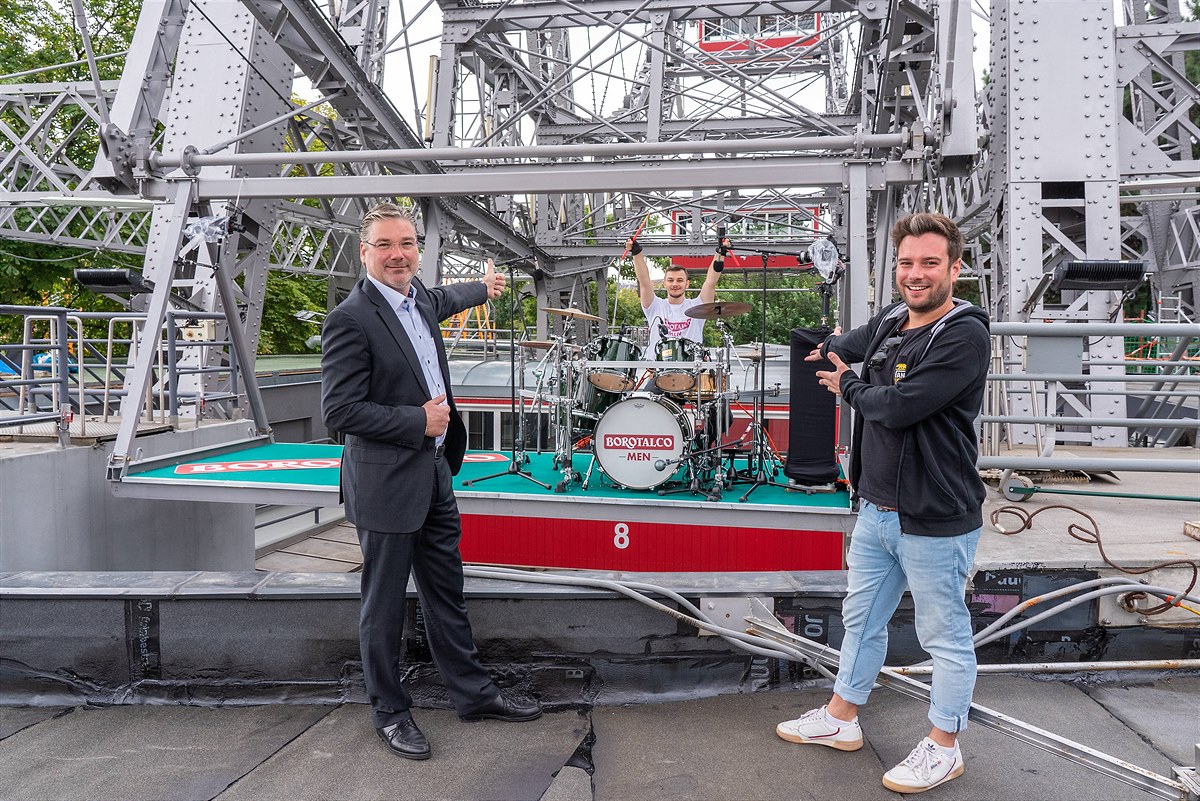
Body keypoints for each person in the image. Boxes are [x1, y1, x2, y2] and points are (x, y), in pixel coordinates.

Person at [775, 212, 990, 794]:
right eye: (906, 264)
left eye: (929, 264)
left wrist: (849, 384)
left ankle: (944, 745)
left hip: (933, 514)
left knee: (943, 633)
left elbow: (897, 407)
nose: (915, 275)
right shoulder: (897, 316)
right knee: (861, 619)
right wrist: (835, 353)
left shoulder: (965, 334)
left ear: (954, 268)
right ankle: (841, 719)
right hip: (876, 507)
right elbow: (848, 346)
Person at [322, 202, 542, 762]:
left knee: (447, 592)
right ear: (364, 252)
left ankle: (473, 696)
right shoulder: (351, 317)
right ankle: (390, 712)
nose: (397, 255)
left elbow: (446, 299)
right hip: (386, 483)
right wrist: (416, 421)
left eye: (406, 244)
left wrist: (483, 288)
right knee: (384, 605)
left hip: (435, 473)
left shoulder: (419, 295)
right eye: (385, 246)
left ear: (418, 249)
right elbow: (340, 411)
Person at [626, 235, 725, 355]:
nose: (675, 284)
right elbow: (644, 281)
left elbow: (710, 282)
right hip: (658, 369)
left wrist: (720, 253)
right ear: (664, 283)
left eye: (679, 280)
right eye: (670, 280)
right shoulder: (655, 305)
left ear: (687, 284)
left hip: (691, 368)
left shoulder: (698, 306)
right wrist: (636, 253)